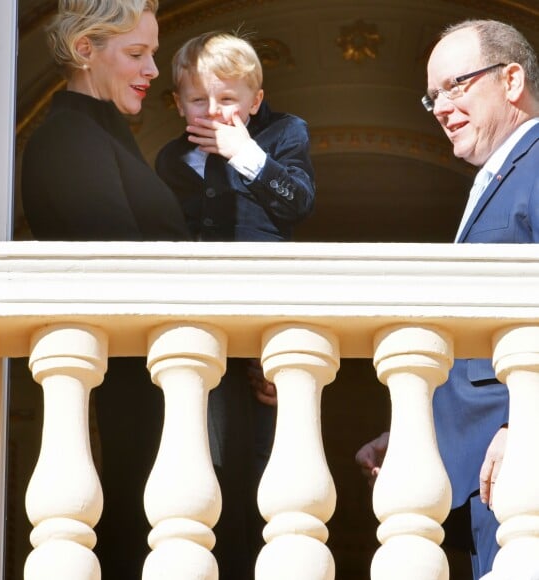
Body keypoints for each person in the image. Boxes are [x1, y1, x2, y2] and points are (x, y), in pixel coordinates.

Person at [355, 19, 539, 580]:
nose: (439, 107)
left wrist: (529, 427)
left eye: (456, 85)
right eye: (432, 95)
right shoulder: (501, 173)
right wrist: (420, 426)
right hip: (487, 468)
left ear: (511, 80)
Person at [21, 1, 191, 578]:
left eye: (154, 55)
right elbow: (123, 283)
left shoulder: (104, 137)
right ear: (85, 50)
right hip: (138, 397)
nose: (151, 70)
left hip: (161, 391)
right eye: (137, 54)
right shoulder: (68, 138)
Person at [155, 31, 316, 579]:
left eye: (227, 99)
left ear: (254, 98)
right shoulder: (173, 159)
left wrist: (243, 154)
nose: (214, 111)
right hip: (201, 318)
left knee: (271, 448)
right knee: (206, 451)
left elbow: (298, 203)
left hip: (269, 312)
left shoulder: (283, 132)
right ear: (178, 104)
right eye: (198, 100)